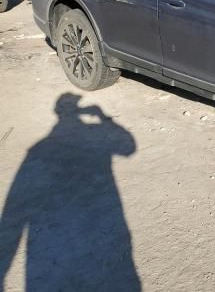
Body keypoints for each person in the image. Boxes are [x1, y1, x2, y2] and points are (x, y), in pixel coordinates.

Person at [0, 93, 140, 291]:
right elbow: (129, 147)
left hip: (49, 248)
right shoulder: (43, 148)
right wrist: (101, 116)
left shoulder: (38, 148)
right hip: (81, 233)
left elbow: (12, 211)